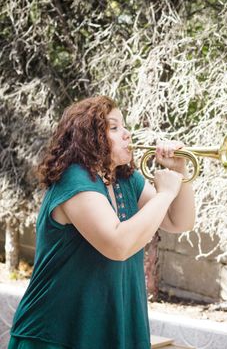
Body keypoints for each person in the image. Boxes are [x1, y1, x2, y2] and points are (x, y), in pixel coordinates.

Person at [9, 95, 195, 349]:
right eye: (114, 127)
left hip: (106, 332)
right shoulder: (74, 179)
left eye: (124, 126)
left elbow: (179, 221)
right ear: (89, 137)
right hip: (56, 335)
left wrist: (179, 171)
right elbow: (118, 244)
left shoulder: (126, 180)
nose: (127, 134)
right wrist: (164, 194)